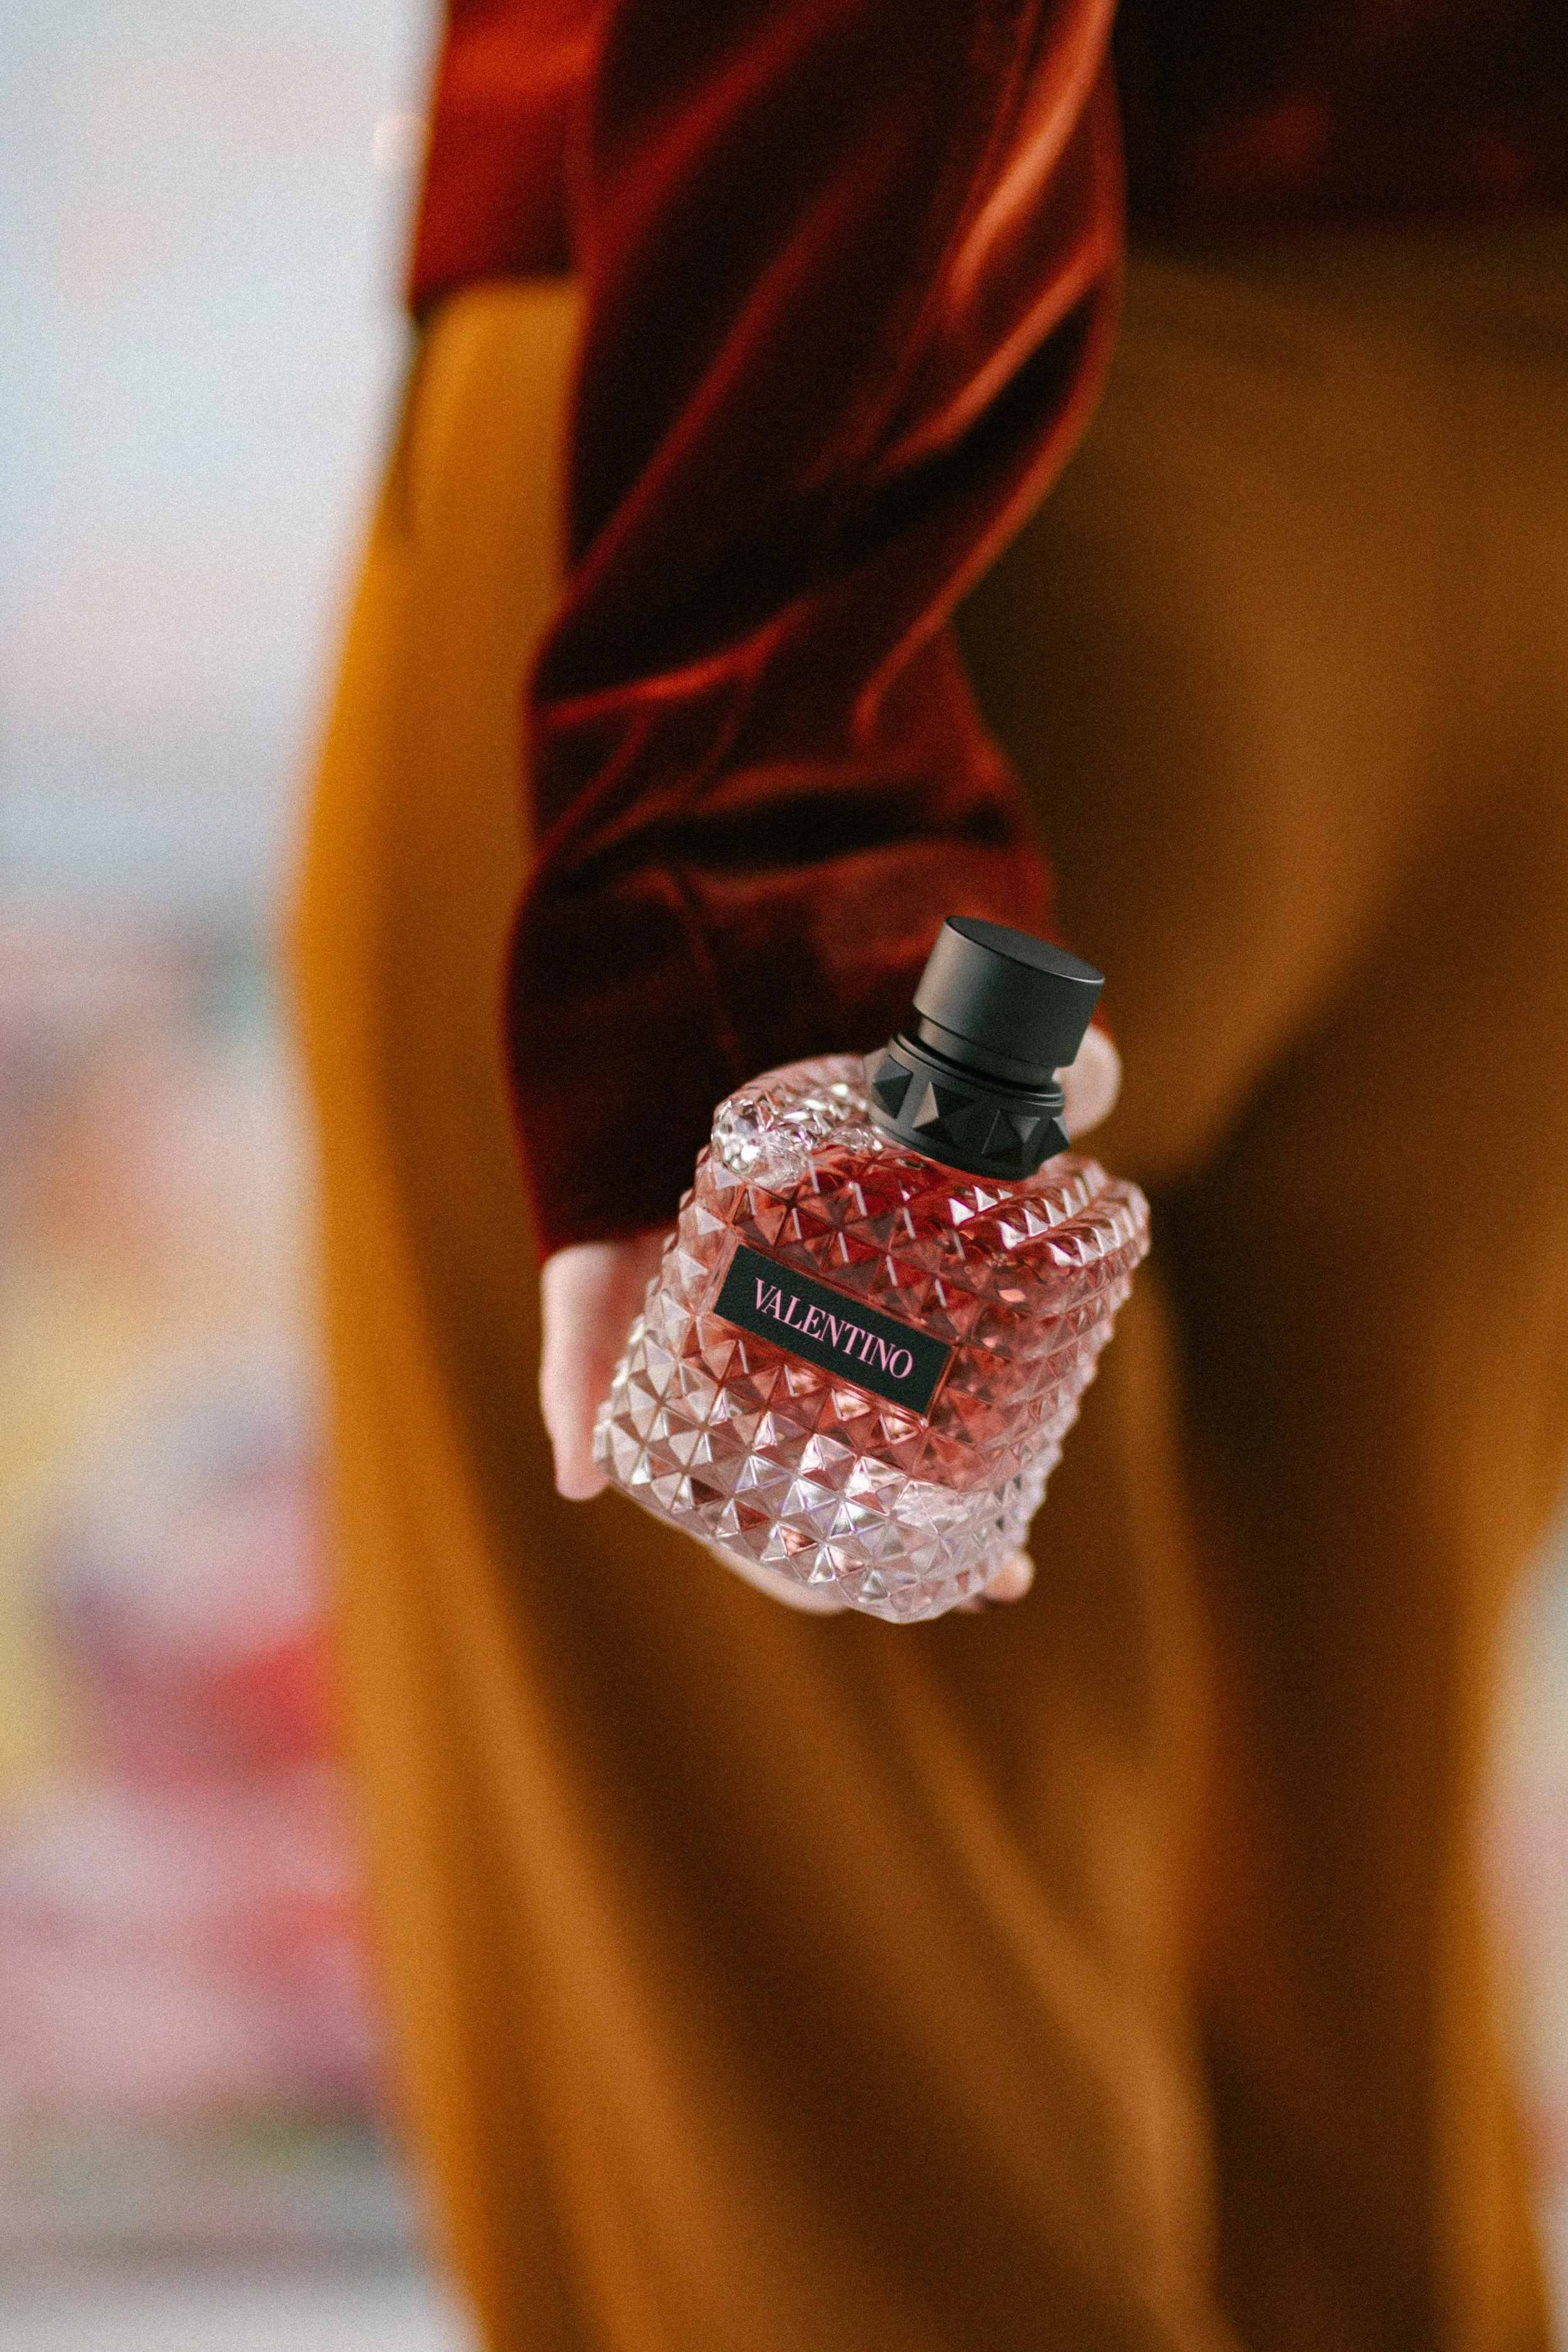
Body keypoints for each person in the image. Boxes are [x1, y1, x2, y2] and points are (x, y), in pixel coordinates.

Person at [292, 4, 1568, 2345]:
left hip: (908, 421)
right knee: (1344, 2069)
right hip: (1509, 445)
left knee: (823, 2173)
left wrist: (737, 853)